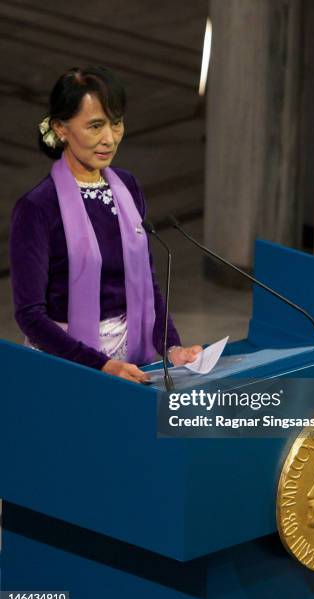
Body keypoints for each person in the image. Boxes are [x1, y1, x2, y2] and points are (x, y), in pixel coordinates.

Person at [9, 66, 202, 383]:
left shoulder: (128, 186)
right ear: (61, 128)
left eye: (116, 123)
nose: (109, 139)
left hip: (131, 360)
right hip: (65, 364)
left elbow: (147, 285)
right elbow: (30, 315)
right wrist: (101, 365)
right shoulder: (37, 208)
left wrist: (172, 347)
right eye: (95, 126)